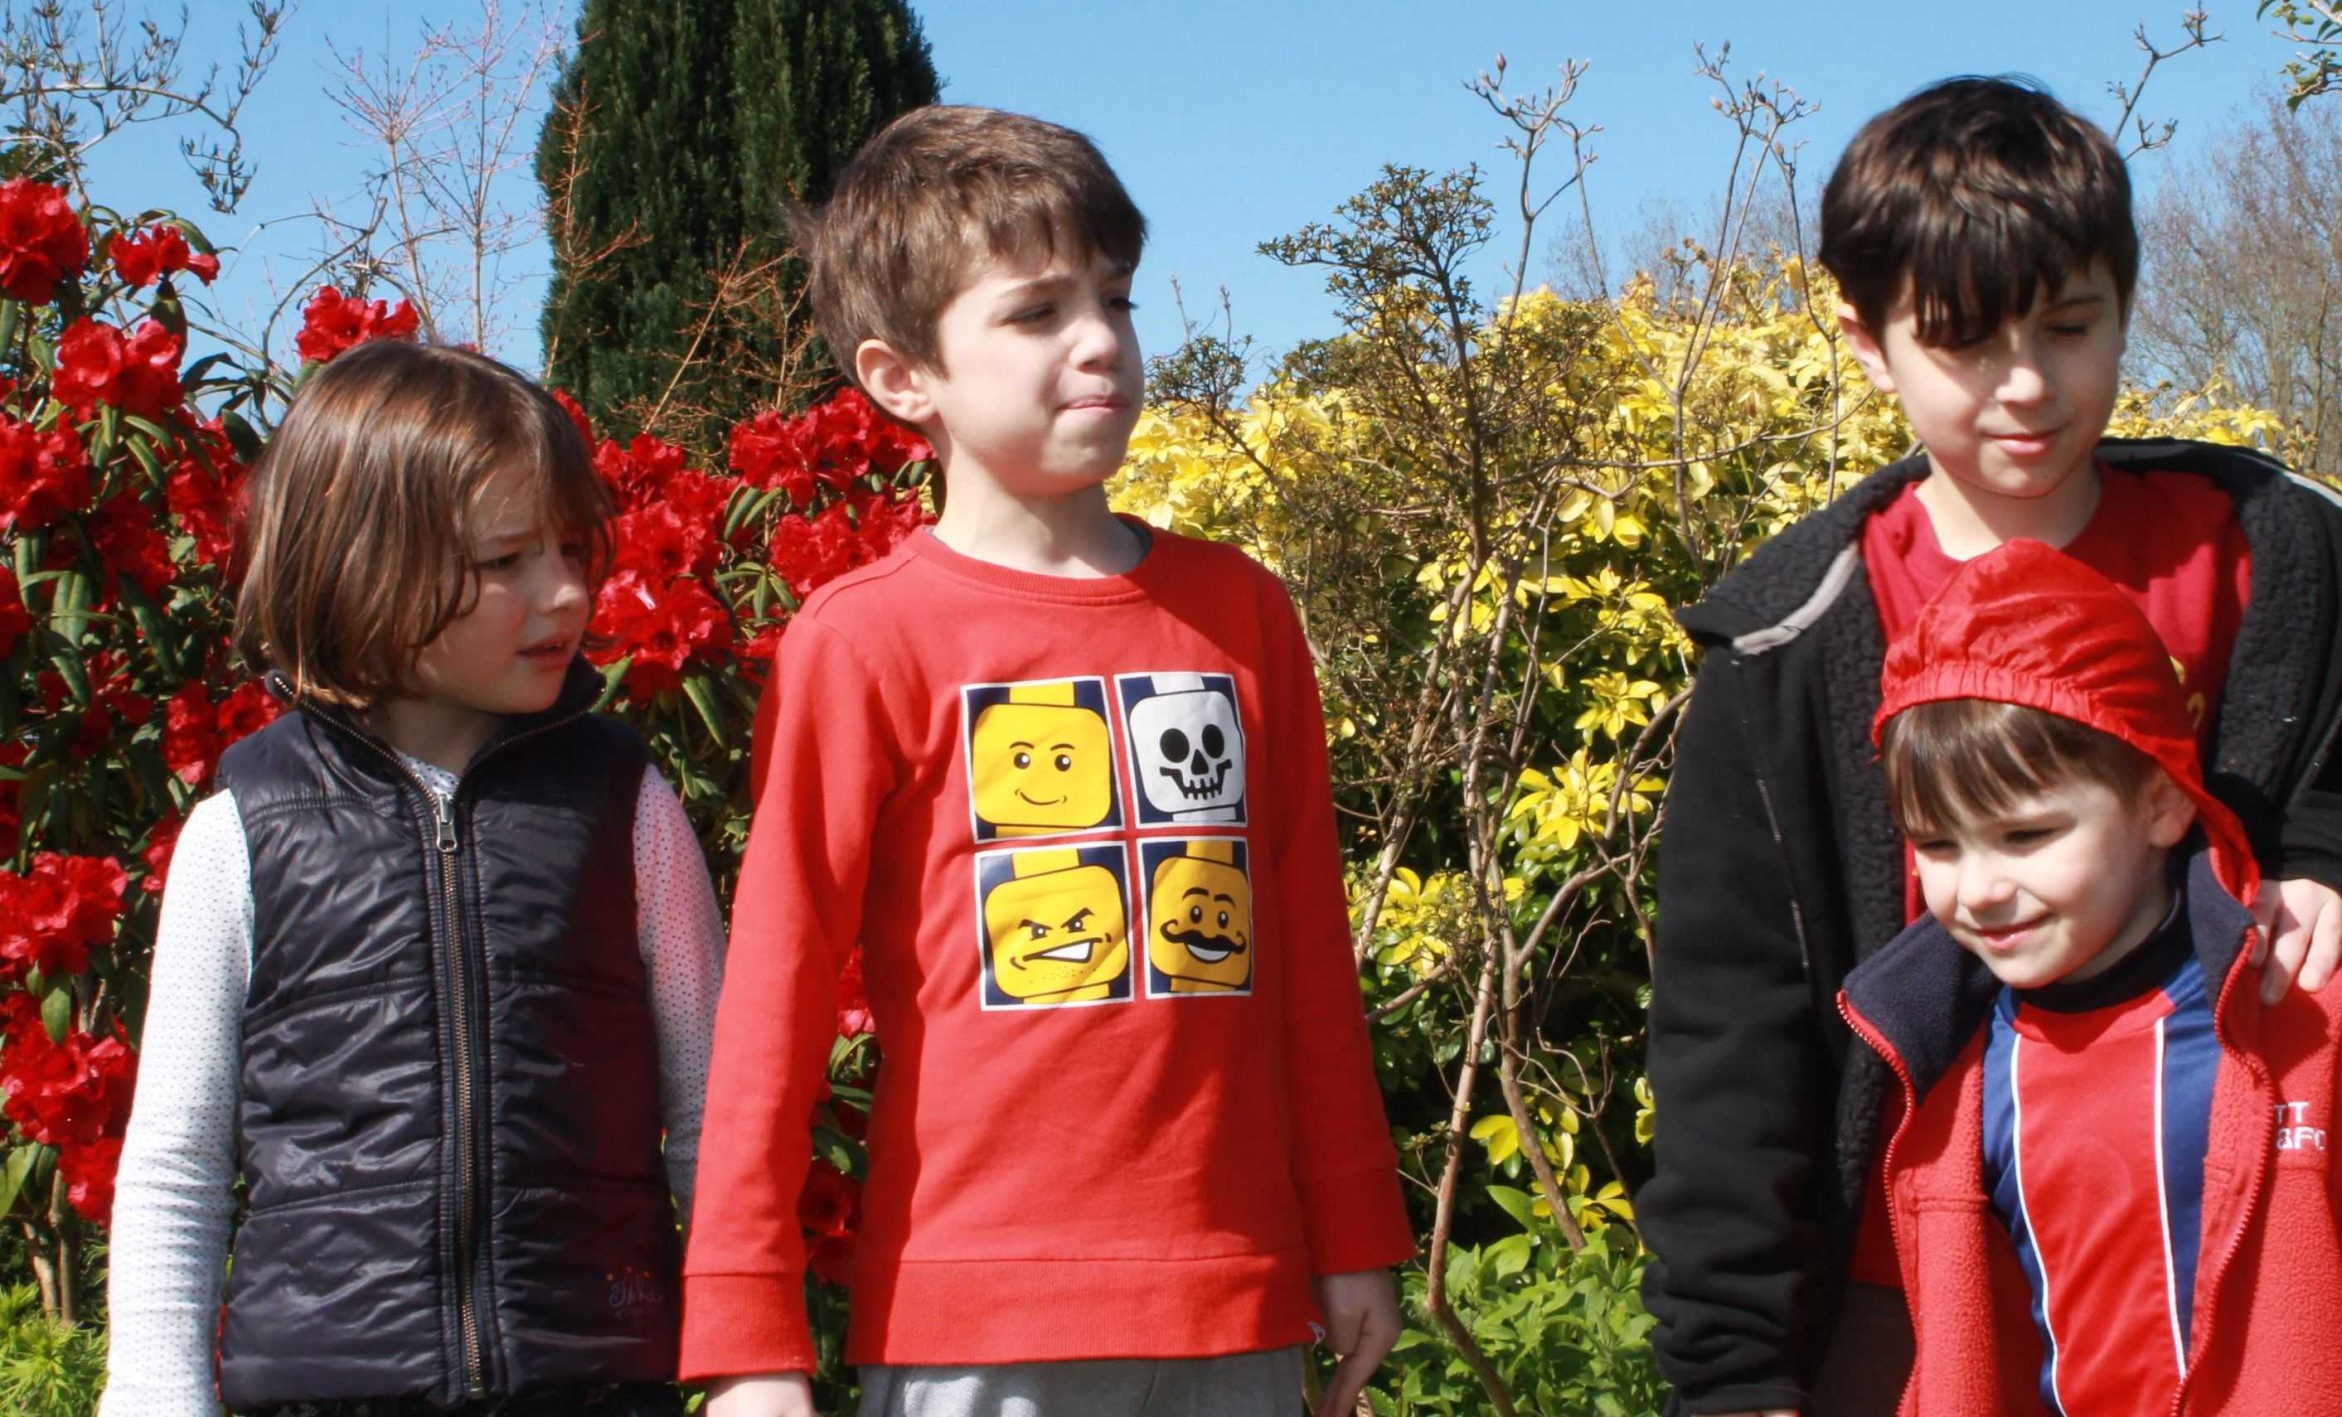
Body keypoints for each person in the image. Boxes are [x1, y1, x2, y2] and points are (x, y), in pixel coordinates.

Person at [1635, 76, 2342, 1415]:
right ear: (1867, 342)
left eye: (2070, 327)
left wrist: (2337, 869)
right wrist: (1734, 1370)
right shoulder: (1787, 641)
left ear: (2126, 305)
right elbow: (1728, 1031)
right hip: (1915, 1285)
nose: (2026, 385)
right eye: (1963, 343)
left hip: (2251, 1239)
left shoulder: (2264, 554)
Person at [681, 105, 1412, 1417]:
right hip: (975, 1318)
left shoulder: (1241, 613)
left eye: (1115, 298)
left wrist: (1354, 1227)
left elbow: (1307, 950)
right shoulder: (863, 642)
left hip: (1234, 1298)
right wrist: (747, 1336)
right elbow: (774, 1002)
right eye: (1035, 312)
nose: (1100, 342)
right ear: (902, 376)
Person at [102, 340, 727, 1417]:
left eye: (572, 548)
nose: (566, 592)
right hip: (326, 1393)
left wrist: (745, 1357)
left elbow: (712, 1112)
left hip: (589, 1382)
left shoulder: (624, 804)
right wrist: (155, 1393)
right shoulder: (243, 828)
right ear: (361, 565)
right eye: (507, 559)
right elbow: (178, 1159)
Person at [1840, 537, 2342, 1414]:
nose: (1978, 889)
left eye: (2027, 836)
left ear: (2163, 801)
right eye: (1938, 845)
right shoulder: (1939, 1068)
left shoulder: (2331, 1035)